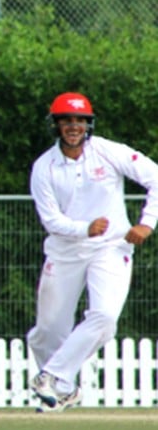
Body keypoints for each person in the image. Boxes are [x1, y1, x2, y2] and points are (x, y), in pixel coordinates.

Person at [27, 92, 158, 413]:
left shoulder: (108, 151)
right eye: (66, 121)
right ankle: (64, 390)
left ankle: (52, 377)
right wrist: (84, 228)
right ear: (56, 125)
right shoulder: (44, 167)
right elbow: (51, 220)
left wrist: (147, 223)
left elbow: (156, 176)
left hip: (110, 248)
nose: (74, 127)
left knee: (104, 318)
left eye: (80, 121)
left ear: (88, 124)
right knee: (47, 332)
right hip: (64, 251)